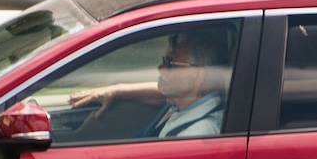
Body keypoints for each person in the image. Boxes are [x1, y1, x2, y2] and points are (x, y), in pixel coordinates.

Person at [69, 27, 232, 139]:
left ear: (198, 76)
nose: (160, 68)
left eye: (170, 63)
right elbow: (158, 92)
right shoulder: (184, 100)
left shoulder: (197, 133)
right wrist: (117, 91)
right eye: (164, 60)